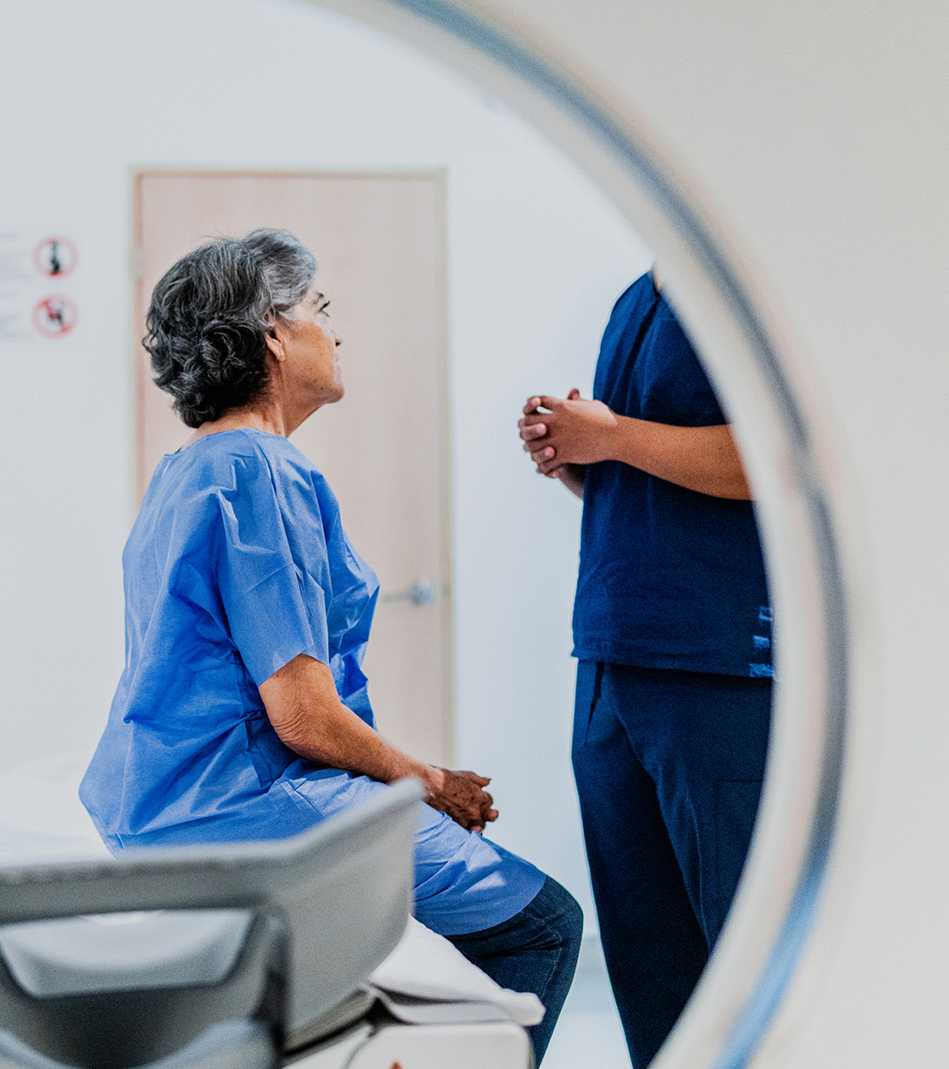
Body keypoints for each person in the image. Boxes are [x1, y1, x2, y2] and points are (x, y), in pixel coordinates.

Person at [81, 229, 581, 1061]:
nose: (334, 331)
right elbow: (303, 716)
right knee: (545, 926)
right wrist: (427, 780)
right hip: (246, 808)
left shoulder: (186, 469)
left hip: (154, 808)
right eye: (319, 308)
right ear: (271, 332)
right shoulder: (259, 471)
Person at [518, 266, 773, 1068]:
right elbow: (645, 478)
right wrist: (578, 460)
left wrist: (614, 436)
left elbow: (773, 458)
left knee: (746, 969)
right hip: (607, 661)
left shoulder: (751, 279)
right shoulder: (638, 296)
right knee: (650, 971)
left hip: (715, 670)